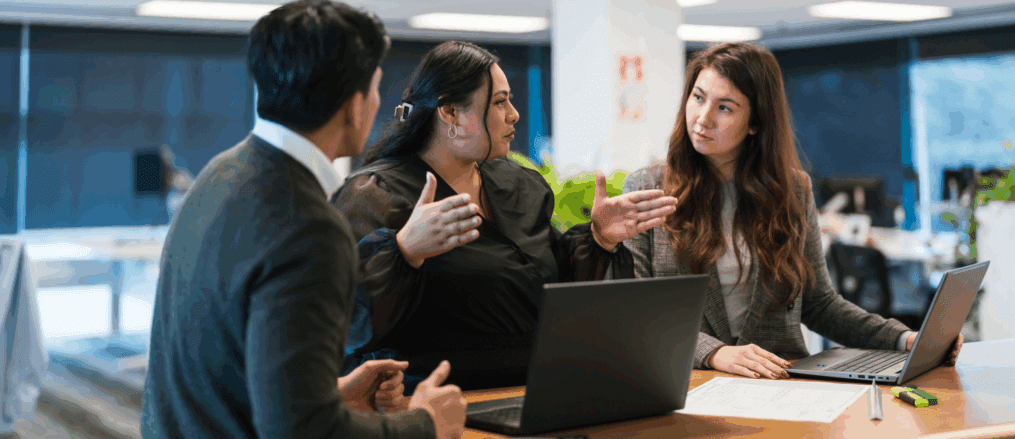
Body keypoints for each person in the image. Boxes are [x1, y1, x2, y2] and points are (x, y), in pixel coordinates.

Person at [141, 2, 466, 438]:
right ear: (353, 107)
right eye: (374, 89)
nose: (376, 104)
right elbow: (303, 433)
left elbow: (225, 371)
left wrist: (324, 393)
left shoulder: (219, 174)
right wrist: (425, 425)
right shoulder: (310, 225)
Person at [333, 41, 677, 393]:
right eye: (499, 102)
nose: (513, 114)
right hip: (438, 403)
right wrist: (404, 251)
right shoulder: (376, 195)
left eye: (510, 100)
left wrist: (599, 238)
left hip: (536, 392)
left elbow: (550, 285)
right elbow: (343, 323)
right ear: (450, 113)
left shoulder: (518, 183)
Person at [620, 42, 963, 380]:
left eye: (725, 107)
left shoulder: (792, 192)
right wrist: (714, 353)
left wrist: (903, 339)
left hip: (783, 383)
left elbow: (820, 304)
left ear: (755, 122)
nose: (703, 118)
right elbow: (639, 312)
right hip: (688, 384)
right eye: (698, 97)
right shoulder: (646, 189)